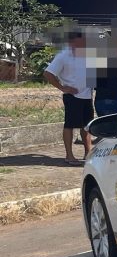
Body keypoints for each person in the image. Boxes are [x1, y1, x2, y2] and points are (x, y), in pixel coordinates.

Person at [44, 30, 94, 166]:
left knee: (87, 126)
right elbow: (48, 73)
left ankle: (88, 152)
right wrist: (62, 87)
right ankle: (69, 155)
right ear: (73, 41)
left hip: (87, 95)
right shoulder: (63, 55)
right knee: (70, 125)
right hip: (72, 96)